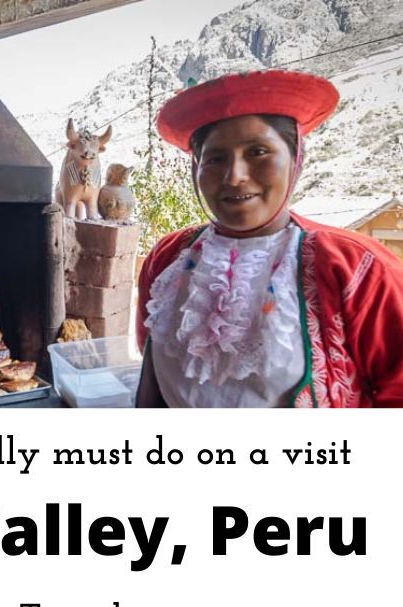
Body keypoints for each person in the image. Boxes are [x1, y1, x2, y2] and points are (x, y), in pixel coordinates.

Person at [135, 70, 403, 407]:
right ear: (196, 168)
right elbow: (152, 373)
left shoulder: (356, 267)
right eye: (215, 158)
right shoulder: (170, 258)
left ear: (296, 160)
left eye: (258, 152)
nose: (235, 177)